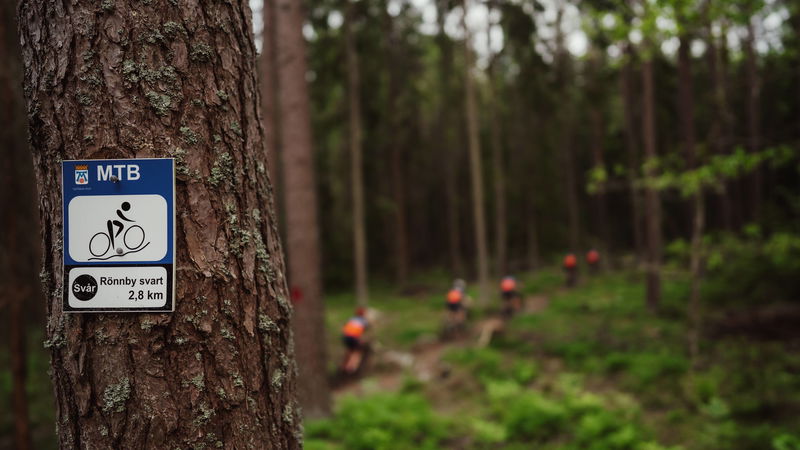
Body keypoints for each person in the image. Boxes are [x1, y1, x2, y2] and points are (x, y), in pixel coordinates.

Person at [341, 307, 369, 374]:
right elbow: (362, 331)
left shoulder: (351, 319)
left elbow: (345, 327)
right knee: (358, 352)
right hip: (354, 337)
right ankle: (351, 367)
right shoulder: (363, 321)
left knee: (350, 350)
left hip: (345, 336)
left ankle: (344, 365)